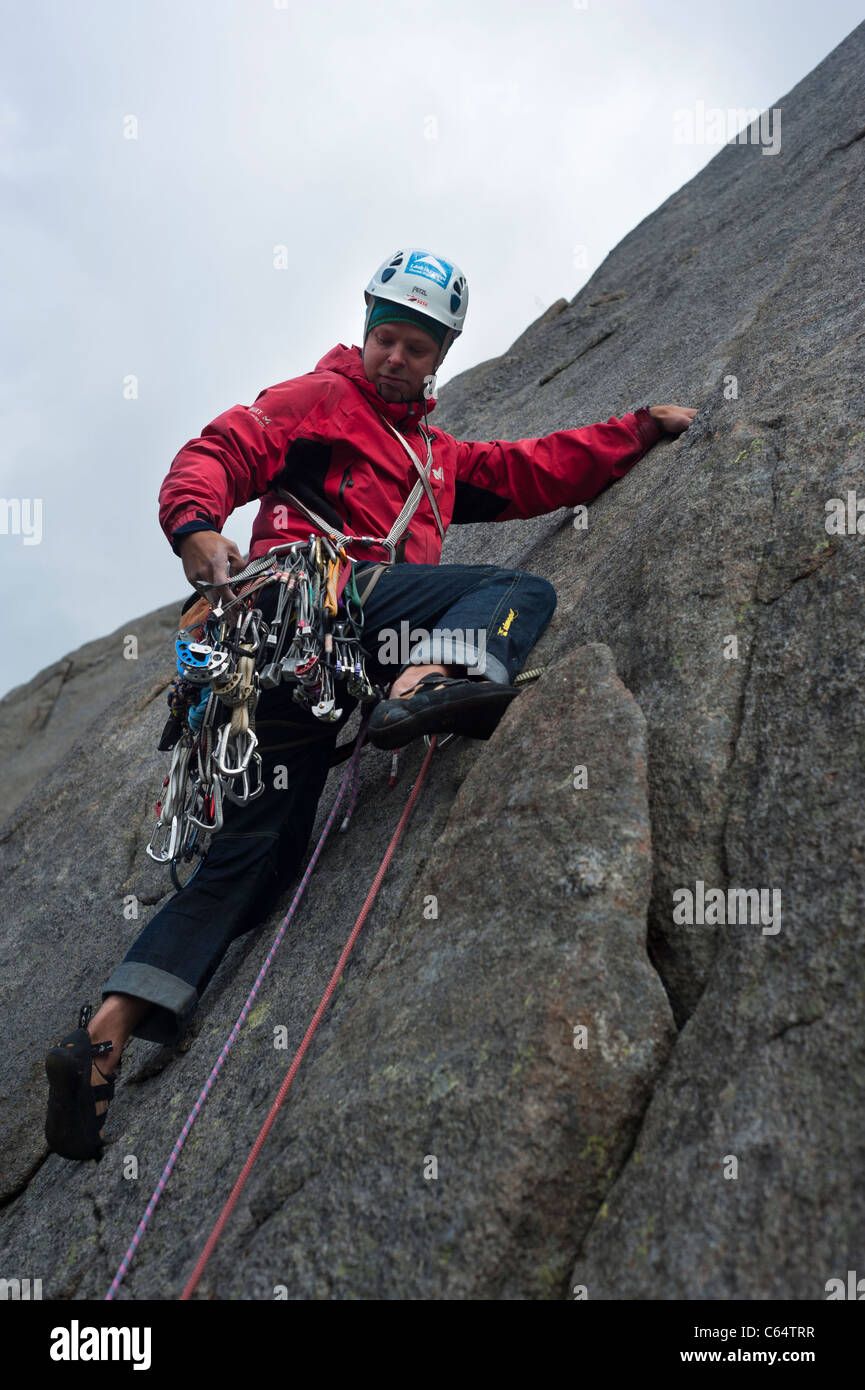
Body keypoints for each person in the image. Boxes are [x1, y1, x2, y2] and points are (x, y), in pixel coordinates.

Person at [44, 247, 696, 1160]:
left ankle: (104, 1031)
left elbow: (528, 471)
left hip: (302, 674)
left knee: (257, 863)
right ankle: (427, 684)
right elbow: (225, 446)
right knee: (518, 595)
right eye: (385, 337)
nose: (395, 357)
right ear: (365, 330)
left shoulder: (434, 455)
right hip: (315, 605)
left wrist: (633, 432)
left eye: (417, 348)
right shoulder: (320, 401)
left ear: (440, 356)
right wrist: (197, 525)